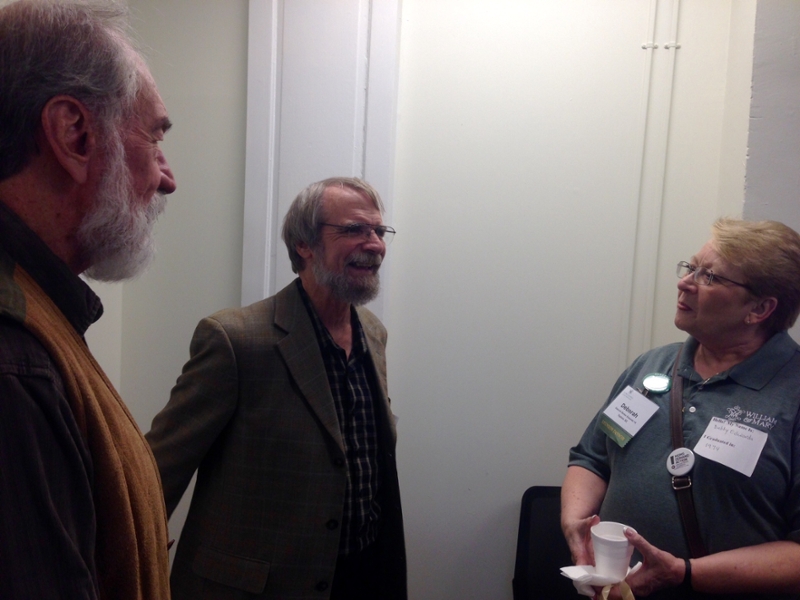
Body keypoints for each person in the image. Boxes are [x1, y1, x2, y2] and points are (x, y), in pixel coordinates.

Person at [146, 177, 407, 600]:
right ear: (304, 244)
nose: (374, 243)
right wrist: (132, 555)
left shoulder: (373, 334)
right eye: (354, 229)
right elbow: (159, 467)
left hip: (360, 578)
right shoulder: (235, 340)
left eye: (379, 231)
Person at [0, 0, 177, 598]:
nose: (168, 176)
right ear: (75, 134)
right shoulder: (14, 363)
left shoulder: (34, 310)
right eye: (155, 137)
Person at [562, 218, 800, 600]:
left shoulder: (792, 393)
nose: (685, 282)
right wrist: (574, 521)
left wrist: (682, 573)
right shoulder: (650, 366)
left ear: (759, 308)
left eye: (709, 277)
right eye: (691, 267)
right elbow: (591, 458)